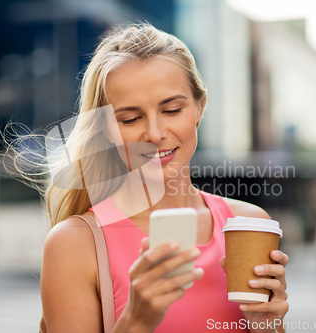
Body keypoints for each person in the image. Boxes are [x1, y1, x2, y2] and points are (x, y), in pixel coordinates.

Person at [38, 23, 289, 332]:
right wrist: (136, 322)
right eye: (131, 118)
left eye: (171, 110)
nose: (155, 134)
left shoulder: (248, 224)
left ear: (199, 108)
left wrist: (268, 325)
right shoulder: (74, 244)